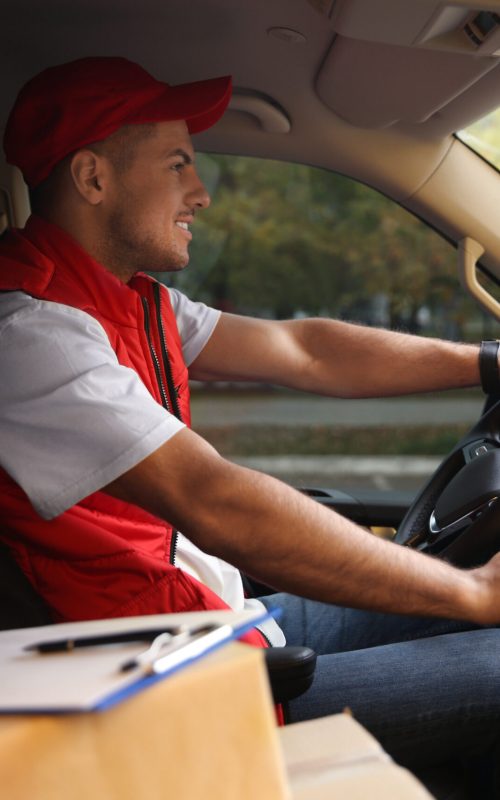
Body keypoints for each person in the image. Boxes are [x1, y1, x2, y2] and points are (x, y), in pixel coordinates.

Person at [0, 57, 499, 795]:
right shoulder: (31, 335)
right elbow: (215, 499)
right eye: (178, 165)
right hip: (162, 694)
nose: (199, 194)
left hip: (216, 624)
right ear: (93, 178)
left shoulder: (132, 301)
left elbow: (307, 350)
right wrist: (477, 595)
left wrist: (486, 362)